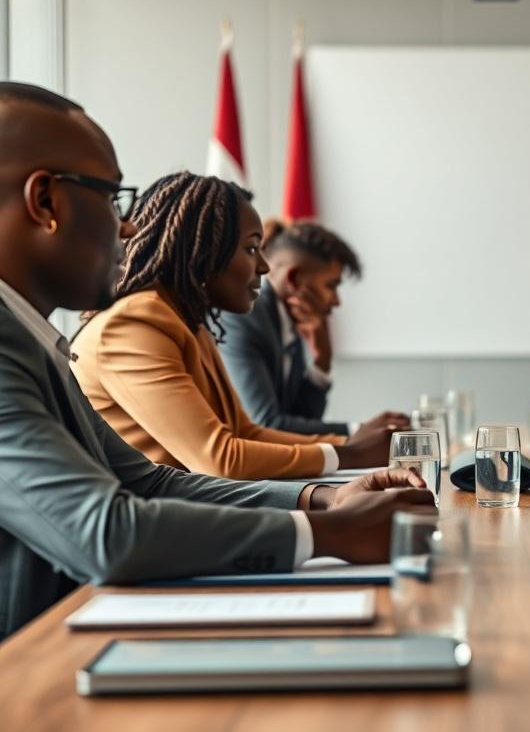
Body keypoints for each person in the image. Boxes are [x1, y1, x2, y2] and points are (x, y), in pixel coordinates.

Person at [0, 81, 433, 638]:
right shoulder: (117, 324)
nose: (127, 226)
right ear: (45, 202)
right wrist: (328, 531)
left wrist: (324, 500)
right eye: (112, 198)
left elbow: (151, 484)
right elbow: (108, 532)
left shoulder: (34, 338)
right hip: (34, 667)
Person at [72, 171, 396, 480]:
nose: (265, 266)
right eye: (252, 248)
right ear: (205, 251)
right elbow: (219, 459)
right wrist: (351, 455)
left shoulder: (188, 320)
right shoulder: (135, 323)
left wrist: (350, 447)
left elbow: (245, 431)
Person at [219, 219, 407, 437]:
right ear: (294, 278)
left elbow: (301, 421)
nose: (337, 301)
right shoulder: (246, 316)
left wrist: (322, 362)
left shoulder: (288, 320)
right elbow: (266, 425)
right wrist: (357, 431)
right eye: (332, 286)